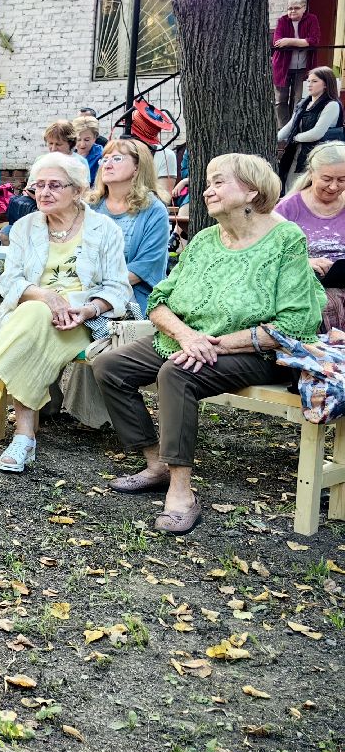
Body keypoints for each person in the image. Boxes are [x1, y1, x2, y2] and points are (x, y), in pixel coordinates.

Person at [94, 153, 324, 534]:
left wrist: (219, 344)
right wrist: (188, 336)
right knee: (110, 367)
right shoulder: (203, 239)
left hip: (257, 349)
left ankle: (182, 493)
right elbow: (160, 299)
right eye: (208, 182)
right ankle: (157, 464)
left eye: (219, 182)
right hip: (190, 339)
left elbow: (297, 322)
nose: (207, 190)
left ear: (251, 191)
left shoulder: (285, 240)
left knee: (177, 374)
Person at [0, 153, 130, 473]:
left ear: (78, 189)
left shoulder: (104, 230)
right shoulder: (25, 227)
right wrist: (45, 296)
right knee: (34, 315)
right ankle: (22, 436)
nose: (44, 192)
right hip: (30, 311)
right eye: (38, 186)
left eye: (54, 185)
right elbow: (10, 281)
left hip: (80, 321)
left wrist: (88, 308)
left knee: (31, 321)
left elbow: (118, 288)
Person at [89, 137, 170, 314]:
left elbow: (144, 267)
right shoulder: (90, 206)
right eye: (105, 159)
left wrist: (99, 293)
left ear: (137, 167)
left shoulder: (153, 210)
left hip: (131, 297)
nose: (107, 165)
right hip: (84, 290)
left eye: (117, 158)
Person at [275, 140, 345, 331]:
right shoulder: (287, 208)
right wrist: (305, 261)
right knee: (326, 305)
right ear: (311, 173)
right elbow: (267, 254)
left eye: (342, 180)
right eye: (327, 179)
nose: (333, 187)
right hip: (307, 286)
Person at [278, 65, 342, 193]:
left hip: (318, 156)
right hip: (296, 152)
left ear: (325, 84)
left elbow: (317, 133)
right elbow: (290, 125)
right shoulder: (303, 104)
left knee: (306, 189)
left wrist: (294, 138)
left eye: (314, 81)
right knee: (290, 186)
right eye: (308, 81)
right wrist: (275, 138)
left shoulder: (332, 105)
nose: (309, 84)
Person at [273, 0, 321, 128]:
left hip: (304, 67)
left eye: (296, 8)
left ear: (304, 8)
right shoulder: (282, 21)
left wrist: (289, 41)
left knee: (299, 100)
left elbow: (314, 40)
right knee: (280, 100)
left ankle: (295, 126)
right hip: (282, 68)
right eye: (289, 8)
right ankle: (283, 128)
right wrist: (303, 42)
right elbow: (276, 42)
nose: (292, 11)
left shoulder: (312, 19)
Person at [72, 115, 105, 183]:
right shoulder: (70, 155)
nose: (82, 144)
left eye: (87, 140)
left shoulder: (101, 157)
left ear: (95, 137)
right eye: (78, 139)